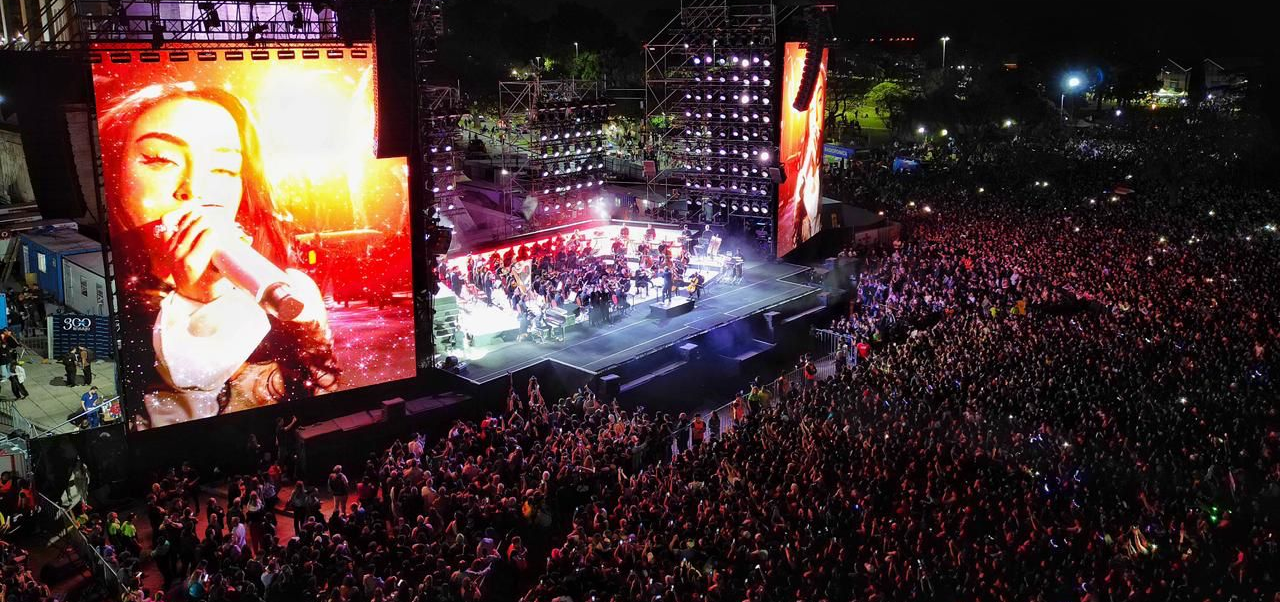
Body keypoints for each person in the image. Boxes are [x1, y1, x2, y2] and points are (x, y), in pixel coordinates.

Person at [97, 83, 339, 429]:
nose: (194, 188)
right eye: (160, 160)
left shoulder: (291, 288)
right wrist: (194, 303)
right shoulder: (106, 306)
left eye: (224, 169)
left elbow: (324, 403)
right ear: (113, 176)